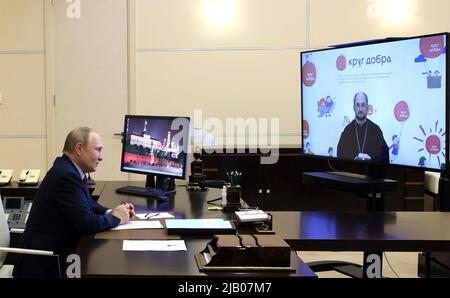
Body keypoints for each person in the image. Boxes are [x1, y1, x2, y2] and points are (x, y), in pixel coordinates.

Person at [13, 127, 135, 278]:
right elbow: (87, 222)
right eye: (98, 150)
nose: (101, 157)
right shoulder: (66, 175)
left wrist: (112, 212)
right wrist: (116, 218)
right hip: (45, 263)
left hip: (56, 252)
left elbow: (88, 203)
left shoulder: (67, 168)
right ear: (79, 148)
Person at [337, 92, 389, 163]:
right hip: (352, 172)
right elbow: (340, 156)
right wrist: (353, 161)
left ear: (367, 107)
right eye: (358, 105)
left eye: (363, 105)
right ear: (354, 108)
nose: (360, 109)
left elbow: (385, 157)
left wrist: (371, 160)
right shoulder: (347, 131)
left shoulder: (376, 130)